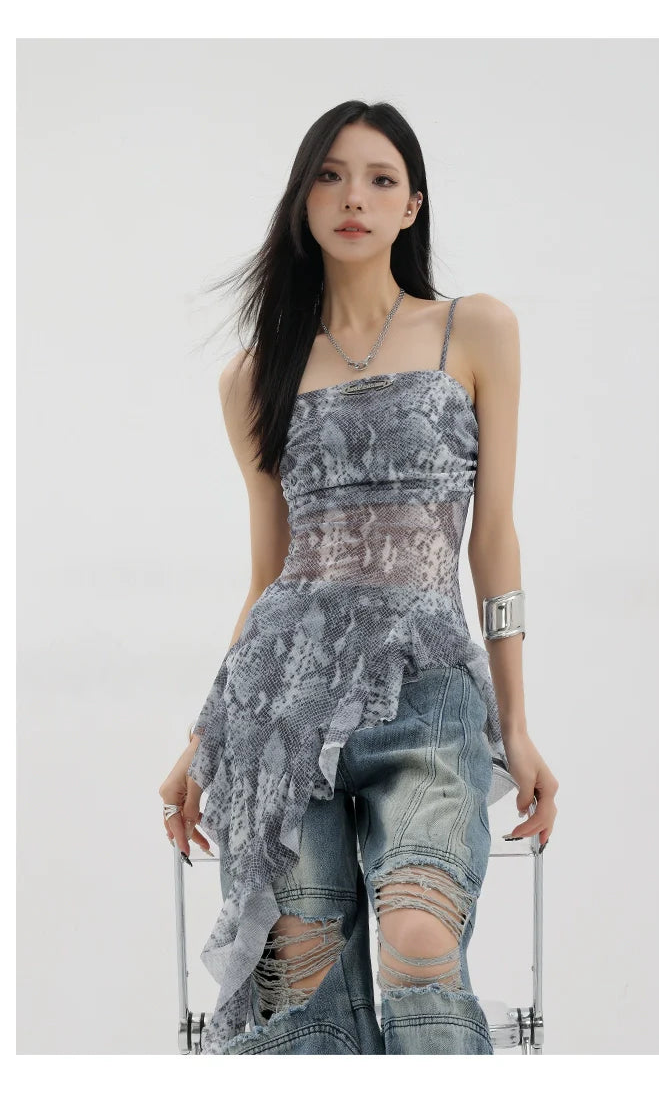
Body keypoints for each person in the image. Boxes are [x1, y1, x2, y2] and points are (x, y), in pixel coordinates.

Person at [159, 99, 558, 1055]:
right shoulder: (252, 376)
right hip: (278, 706)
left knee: (420, 939)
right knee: (304, 986)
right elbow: (269, 576)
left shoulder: (476, 329)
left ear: (412, 206)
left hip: (427, 687)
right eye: (331, 177)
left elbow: (494, 537)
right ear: (303, 199)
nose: (354, 198)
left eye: (381, 179)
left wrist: (515, 722)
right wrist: (200, 740)